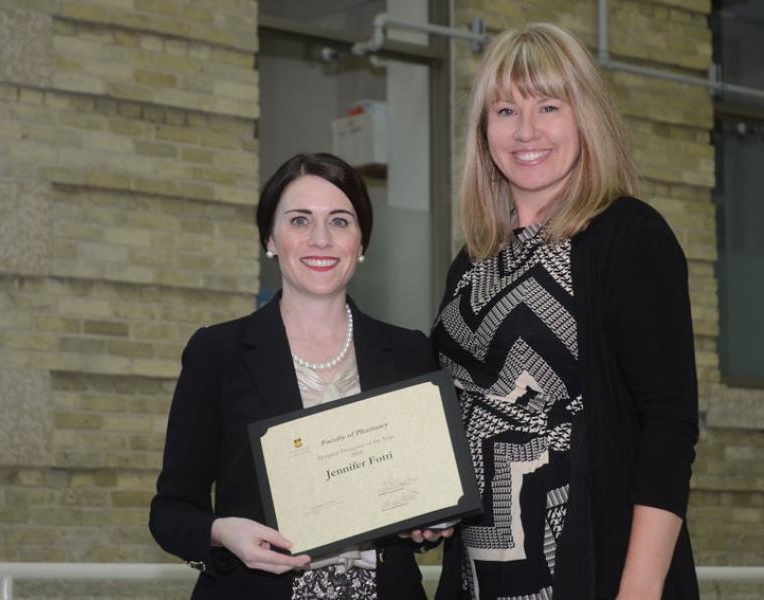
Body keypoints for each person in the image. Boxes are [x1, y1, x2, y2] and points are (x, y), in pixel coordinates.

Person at [430, 24, 699, 600]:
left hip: (585, 565)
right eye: (506, 110)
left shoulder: (629, 236)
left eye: (548, 106)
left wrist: (640, 587)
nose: (526, 131)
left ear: (586, 118)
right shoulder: (474, 259)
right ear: (484, 130)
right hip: (479, 571)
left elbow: (669, 423)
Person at [150, 152, 438, 599]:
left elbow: (424, 496)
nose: (320, 239)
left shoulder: (410, 352)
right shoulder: (218, 352)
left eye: (340, 221)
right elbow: (171, 511)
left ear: (361, 241)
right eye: (300, 221)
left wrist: (430, 521)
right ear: (270, 237)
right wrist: (223, 533)